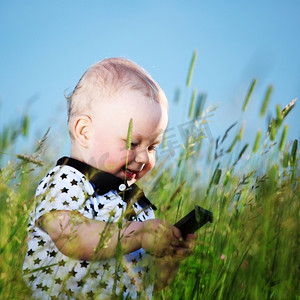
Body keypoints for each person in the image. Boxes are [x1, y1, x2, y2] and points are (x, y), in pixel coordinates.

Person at [23, 57, 196, 299]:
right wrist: (139, 234)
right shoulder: (65, 181)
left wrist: (169, 258)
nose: (144, 158)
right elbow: (72, 238)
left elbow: (150, 282)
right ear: (84, 131)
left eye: (153, 147)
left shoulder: (138, 207)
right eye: (133, 143)